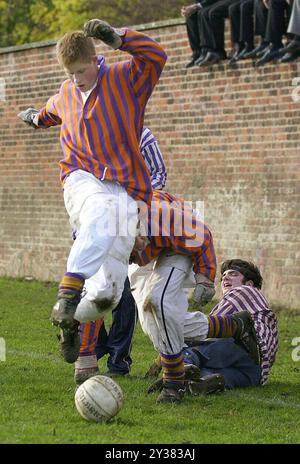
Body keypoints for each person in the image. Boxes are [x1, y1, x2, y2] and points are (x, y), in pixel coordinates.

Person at [18, 19, 167, 362]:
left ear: (95, 59)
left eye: (81, 71)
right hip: (80, 178)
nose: (75, 79)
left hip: (126, 190)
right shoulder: (67, 92)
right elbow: (48, 112)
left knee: (108, 292)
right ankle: (68, 293)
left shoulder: (125, 79)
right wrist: (34, 118)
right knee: (99, 208)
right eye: (69, 73)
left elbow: (156, 56)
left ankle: (69, 320)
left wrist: (117, 38)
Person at [128, 193, 260, 403]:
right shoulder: (103, 228)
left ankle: (174, 381)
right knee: (151, 319)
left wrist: (205, 277)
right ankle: (232, 327)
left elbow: (202, 235)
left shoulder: (161, 217)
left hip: (180, 241)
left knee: (158, 300)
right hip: (148, 247)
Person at [75, 127, 167, 384]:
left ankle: (115, 359)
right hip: (94, 223)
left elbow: (159, 173)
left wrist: (135, 199)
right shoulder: (90, 137)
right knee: (98, 290)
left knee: (123, 297)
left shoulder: (143, 136)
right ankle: (90, 353)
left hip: (128, 224)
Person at [147, 259, 278, 397]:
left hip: (245, 345)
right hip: (255, 373)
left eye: (233, 274)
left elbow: (204, 332)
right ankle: (204, 383)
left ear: (249, 283)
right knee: (209, 374)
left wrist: (166, 358)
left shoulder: (245, 291)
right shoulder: (258, 305)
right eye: (223, 277)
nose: (225, 278)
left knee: (197, 351)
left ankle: (181, 367)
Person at [181, 1, 219, 67]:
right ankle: (197, 52)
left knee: (202, 13)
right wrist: (189, 8)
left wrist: (197, 6)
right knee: (191, 15)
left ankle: (207, 51)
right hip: (206, 4)